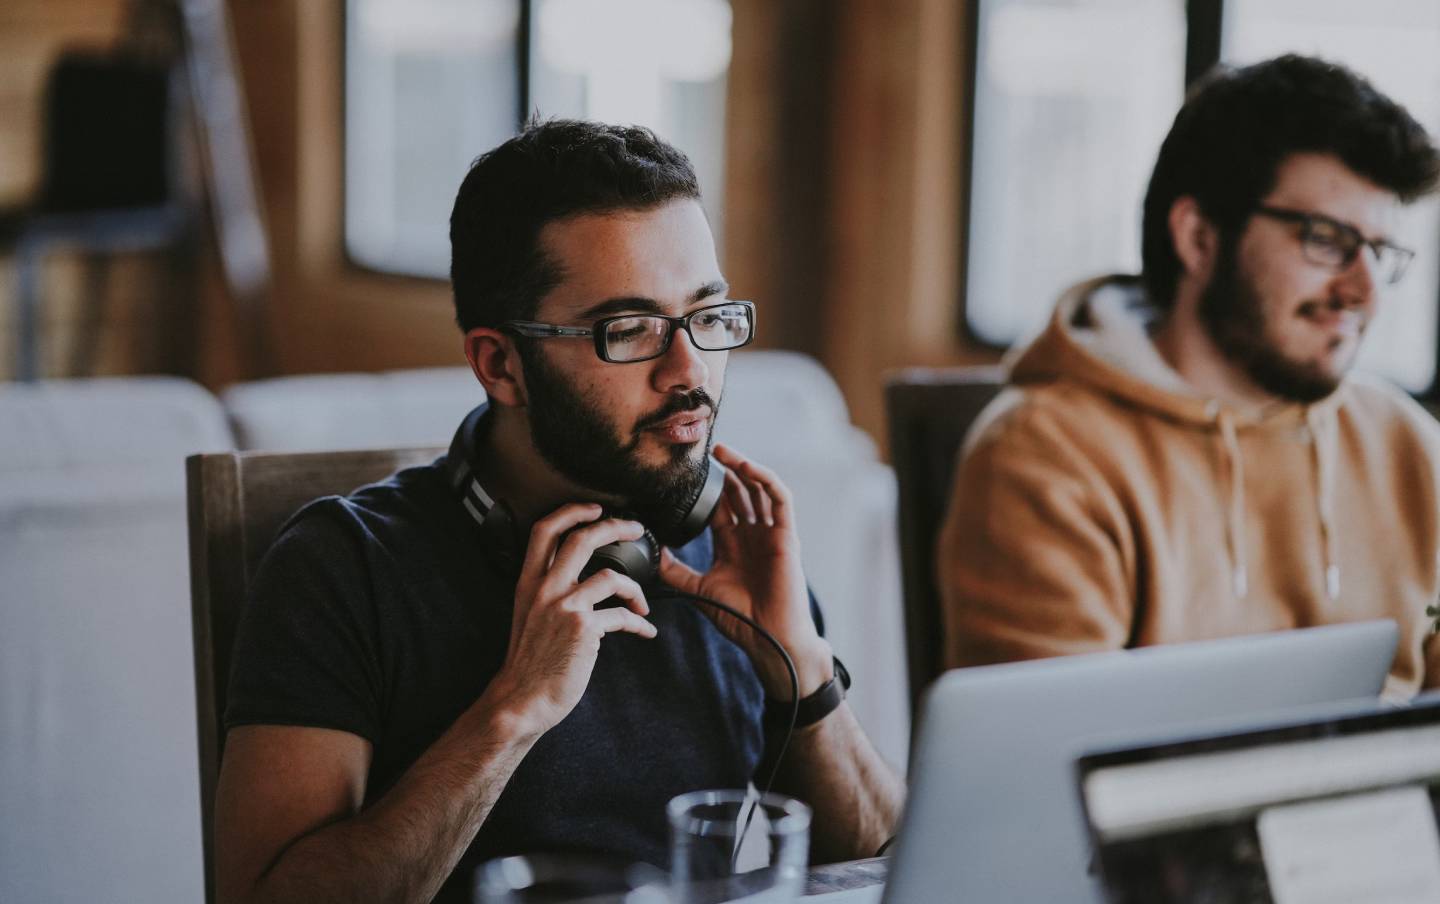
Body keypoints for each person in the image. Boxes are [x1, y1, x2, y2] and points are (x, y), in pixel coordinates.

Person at [214, 120, 904, 904]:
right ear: (500, 364)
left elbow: (898, 866)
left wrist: (801, 668)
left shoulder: (729, 546)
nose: (691, 374)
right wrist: (513, 711)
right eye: (630, 330)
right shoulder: (344, 568)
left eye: (708, 318)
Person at [939, 55, 1440, 695]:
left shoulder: (1407, 444)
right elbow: (1049, 774)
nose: (1363, 290)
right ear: (1199, 238)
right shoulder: (1046, 457)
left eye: (1379, 251)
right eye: (1325, 238)